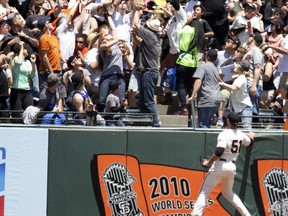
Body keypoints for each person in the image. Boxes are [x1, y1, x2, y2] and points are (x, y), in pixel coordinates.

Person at [191, 112, 255, 216]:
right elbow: (249, 142)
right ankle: (247, 215)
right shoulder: (240, 134)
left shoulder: (224, 133)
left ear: (228, 121)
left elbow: (219, 151)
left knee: (204, 192)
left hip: (220, 165)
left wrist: (208, 162)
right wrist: (251, 136)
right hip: (232, 167)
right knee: (228, 193)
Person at [131, 1, 161, 127]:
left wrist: (137, 10)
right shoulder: (153, 37)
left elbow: (135, 25)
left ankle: (155, 124)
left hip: (149, 72)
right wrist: (134, 34)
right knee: (143, 101)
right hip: (149, 72)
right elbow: (138, 41)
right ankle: (145, 122)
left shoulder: (150, 35)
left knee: (148, 101)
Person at [187, 49, 221, 128]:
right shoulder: (215, 69)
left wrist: (192, 95)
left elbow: (198, 81)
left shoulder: (203, 66)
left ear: (206, 56)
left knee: (203, 125)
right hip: (217, 99)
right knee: (206, 123)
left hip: (206, 99)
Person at [219, 61, 253, 129]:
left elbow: (234, 88)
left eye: (237, 65)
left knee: (247, 128)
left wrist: (223, 84)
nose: (235, 66)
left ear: (240, 68)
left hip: (244, 106)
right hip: (237, 107)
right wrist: (221, 80)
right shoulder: (239, 77)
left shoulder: (242, 77)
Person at [10, 42, 36, 121]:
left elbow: (32, 75)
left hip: (27, 90)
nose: (27, 50)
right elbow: (19, 62)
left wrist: (33, 64)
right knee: (17, 115)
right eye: (25, 48)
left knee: (30, 112)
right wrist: (21, 46)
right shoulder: (15, 59)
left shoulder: (27, 62)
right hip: (17, 90)